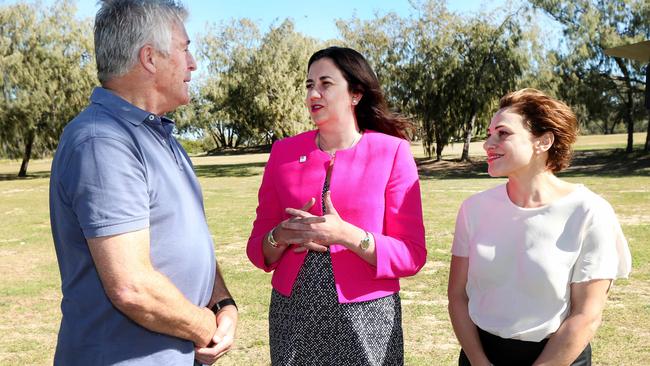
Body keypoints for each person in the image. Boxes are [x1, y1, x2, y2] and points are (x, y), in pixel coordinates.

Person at [49, 1, 237, 364]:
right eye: (185, 49)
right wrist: (204, 326)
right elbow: (132, 286)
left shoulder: (161, 138)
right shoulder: (102, 141)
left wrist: (222, 302)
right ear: (150, 58)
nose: (193, 63)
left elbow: (189, 239)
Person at [246, 46, 427, 365]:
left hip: (367, 314)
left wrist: (346, 235)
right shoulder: (283, 153)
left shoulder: (393, 152)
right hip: (295, 315)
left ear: (355, 93)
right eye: (308, 84)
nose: (313, 93)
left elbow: (412, 254)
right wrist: (281, 235)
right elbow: (257, 250)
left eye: (325, 83)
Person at [447, 88, 632, 366]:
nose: (488, 143)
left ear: (543, 142)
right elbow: (457, 296)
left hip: (559, 356)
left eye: (503, 133)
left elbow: (585, 316)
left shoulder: (590, 212)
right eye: (489, 134)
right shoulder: (473, 209)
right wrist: (478, 360)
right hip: (480, 355)